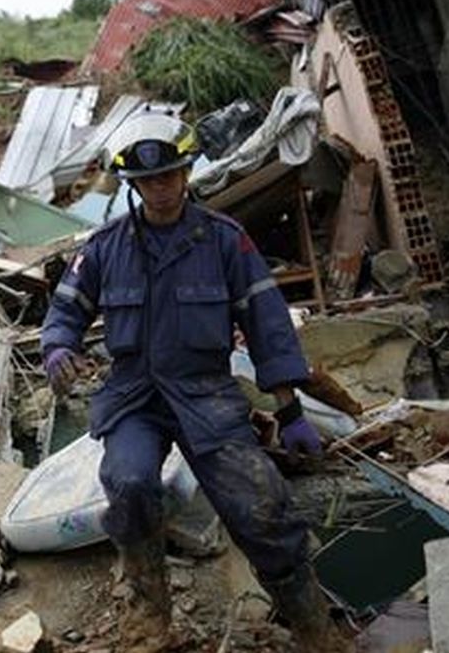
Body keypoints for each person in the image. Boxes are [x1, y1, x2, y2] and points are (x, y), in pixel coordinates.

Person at [40, 113, 350, 652]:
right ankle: (148, 615)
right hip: (135, 397)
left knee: (260, 504)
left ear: (186, 174)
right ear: (132, 185)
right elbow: (67, 307)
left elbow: (267, 323)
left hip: (206, 395)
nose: (159, 190)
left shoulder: (225, 241)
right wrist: (58, 346)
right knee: (130, 483)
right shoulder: (106, 246)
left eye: (169, 177)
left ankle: (312, 626)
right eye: (147, 182)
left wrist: (290, 410)